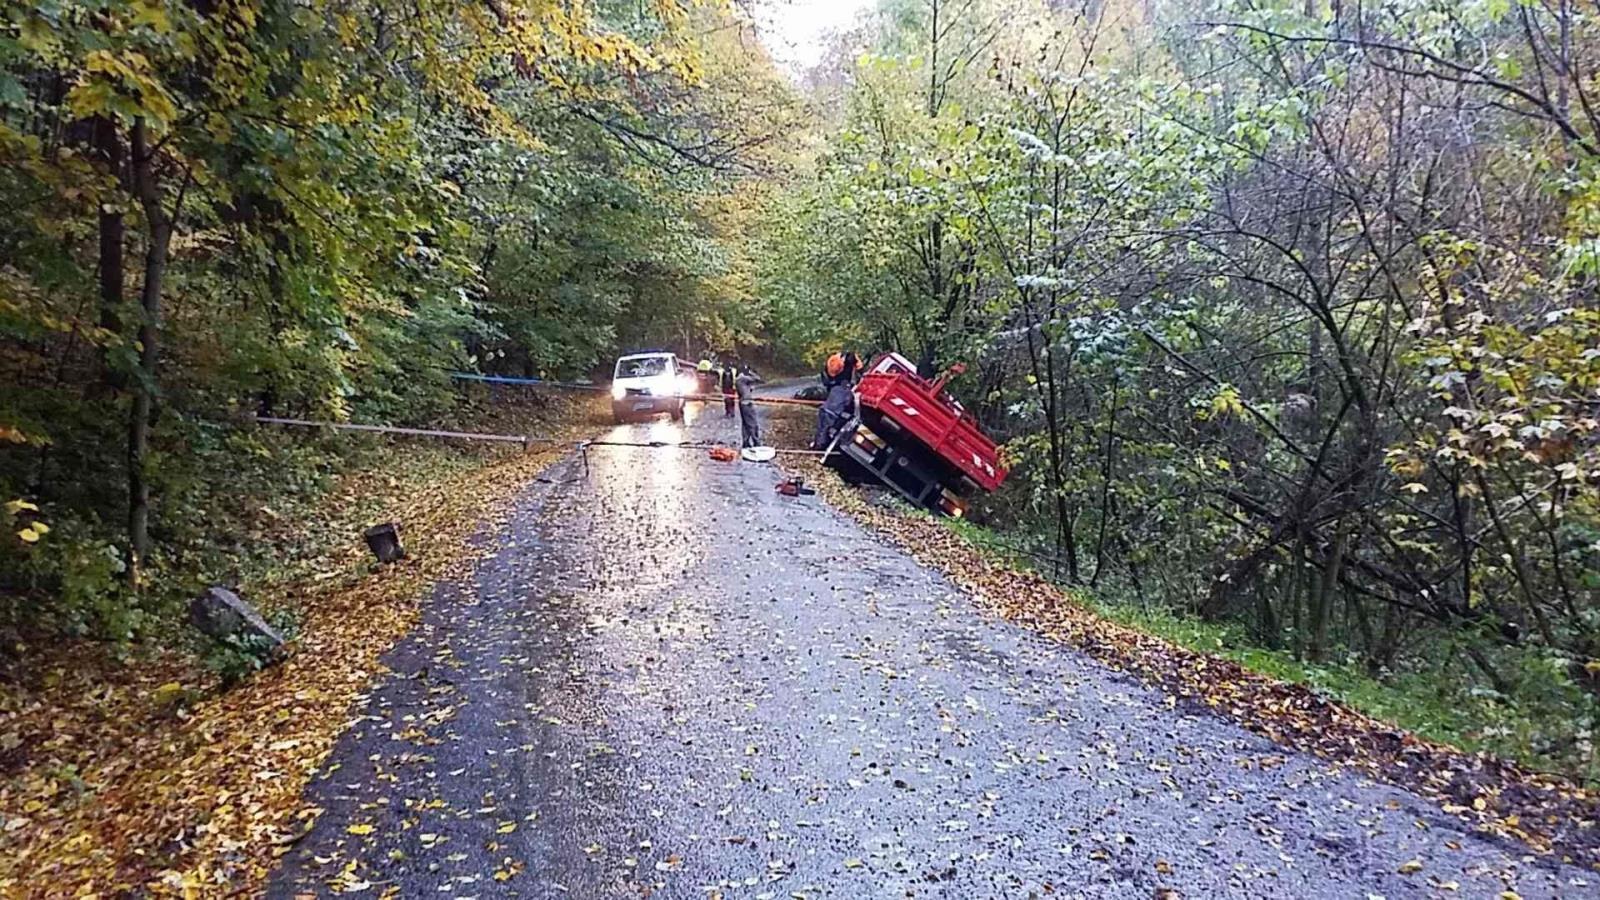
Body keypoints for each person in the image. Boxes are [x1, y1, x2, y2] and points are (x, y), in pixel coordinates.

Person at [736, 364, 763, 448]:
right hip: (747, 403)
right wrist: (751, 372)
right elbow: (757, 378)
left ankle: (746, 442)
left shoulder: (740, 380)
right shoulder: (742, 378)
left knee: (745, 424)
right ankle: (756, 441)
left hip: (743, 403)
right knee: (753, 423)